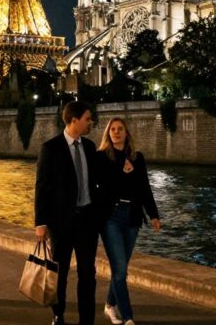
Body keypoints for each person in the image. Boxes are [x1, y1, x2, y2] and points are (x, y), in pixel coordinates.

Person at [35, 100, 102, 325]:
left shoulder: (90, 147)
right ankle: (58, 314)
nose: (91, 122)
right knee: (59, 273)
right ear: (74, 120)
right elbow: (42, 188)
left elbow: (98, 182)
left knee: (87, 274)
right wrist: (40, 222)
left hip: (86, 221)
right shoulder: (50, 148)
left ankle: (87, 320)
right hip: (61, 223)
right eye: (87, 118)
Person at [96, 118, 161, 325]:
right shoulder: (101, 157)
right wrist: (120, 171)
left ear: (126, 133)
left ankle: (109, 305)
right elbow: (102, 188)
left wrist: (154, 215)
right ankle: (129, 317)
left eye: (120, 129)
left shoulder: (137, 158)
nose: (116, 132)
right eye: (112, 129)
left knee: (119, 269)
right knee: (121, 269)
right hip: (111, 217)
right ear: (108, 133)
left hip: (132, 216)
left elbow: (144, 188)